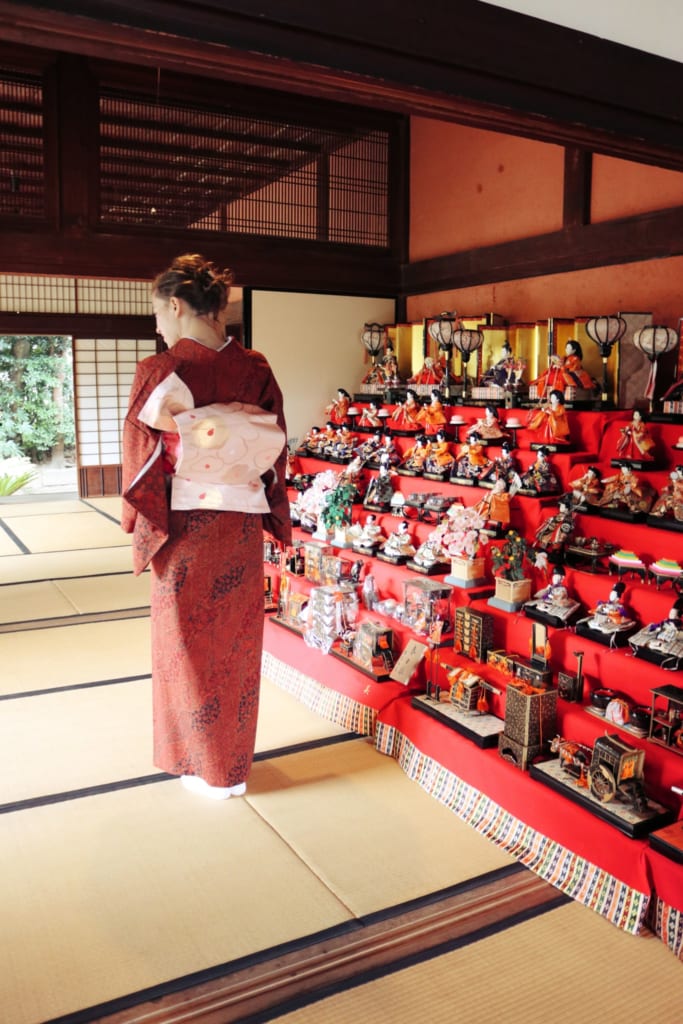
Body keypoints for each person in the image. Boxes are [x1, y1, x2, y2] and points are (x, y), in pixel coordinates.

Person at [122, 253, 290, 801]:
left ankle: (197, 764)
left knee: (184, 646)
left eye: (157, 313)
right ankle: (232, 768)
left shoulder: (161, 371)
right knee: (237, 643)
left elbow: (140, 455)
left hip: (184, 526)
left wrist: (137, 517)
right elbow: (274, 448)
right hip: (238, 526)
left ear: (174, 305)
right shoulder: (256, 368)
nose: (157, 326)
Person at [530, 339, 595, 399]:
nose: (566, 350)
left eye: (568, 348)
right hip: (562, 374)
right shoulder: (564, 358)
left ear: (574, 350)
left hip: (569, 376)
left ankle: (555, 395)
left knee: (549, 377)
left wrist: (561, 367)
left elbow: (572, 370)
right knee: (548, 374)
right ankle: (542, 391)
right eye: (566, 348)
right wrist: (555, 366)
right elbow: (561, 365)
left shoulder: (576, 359)